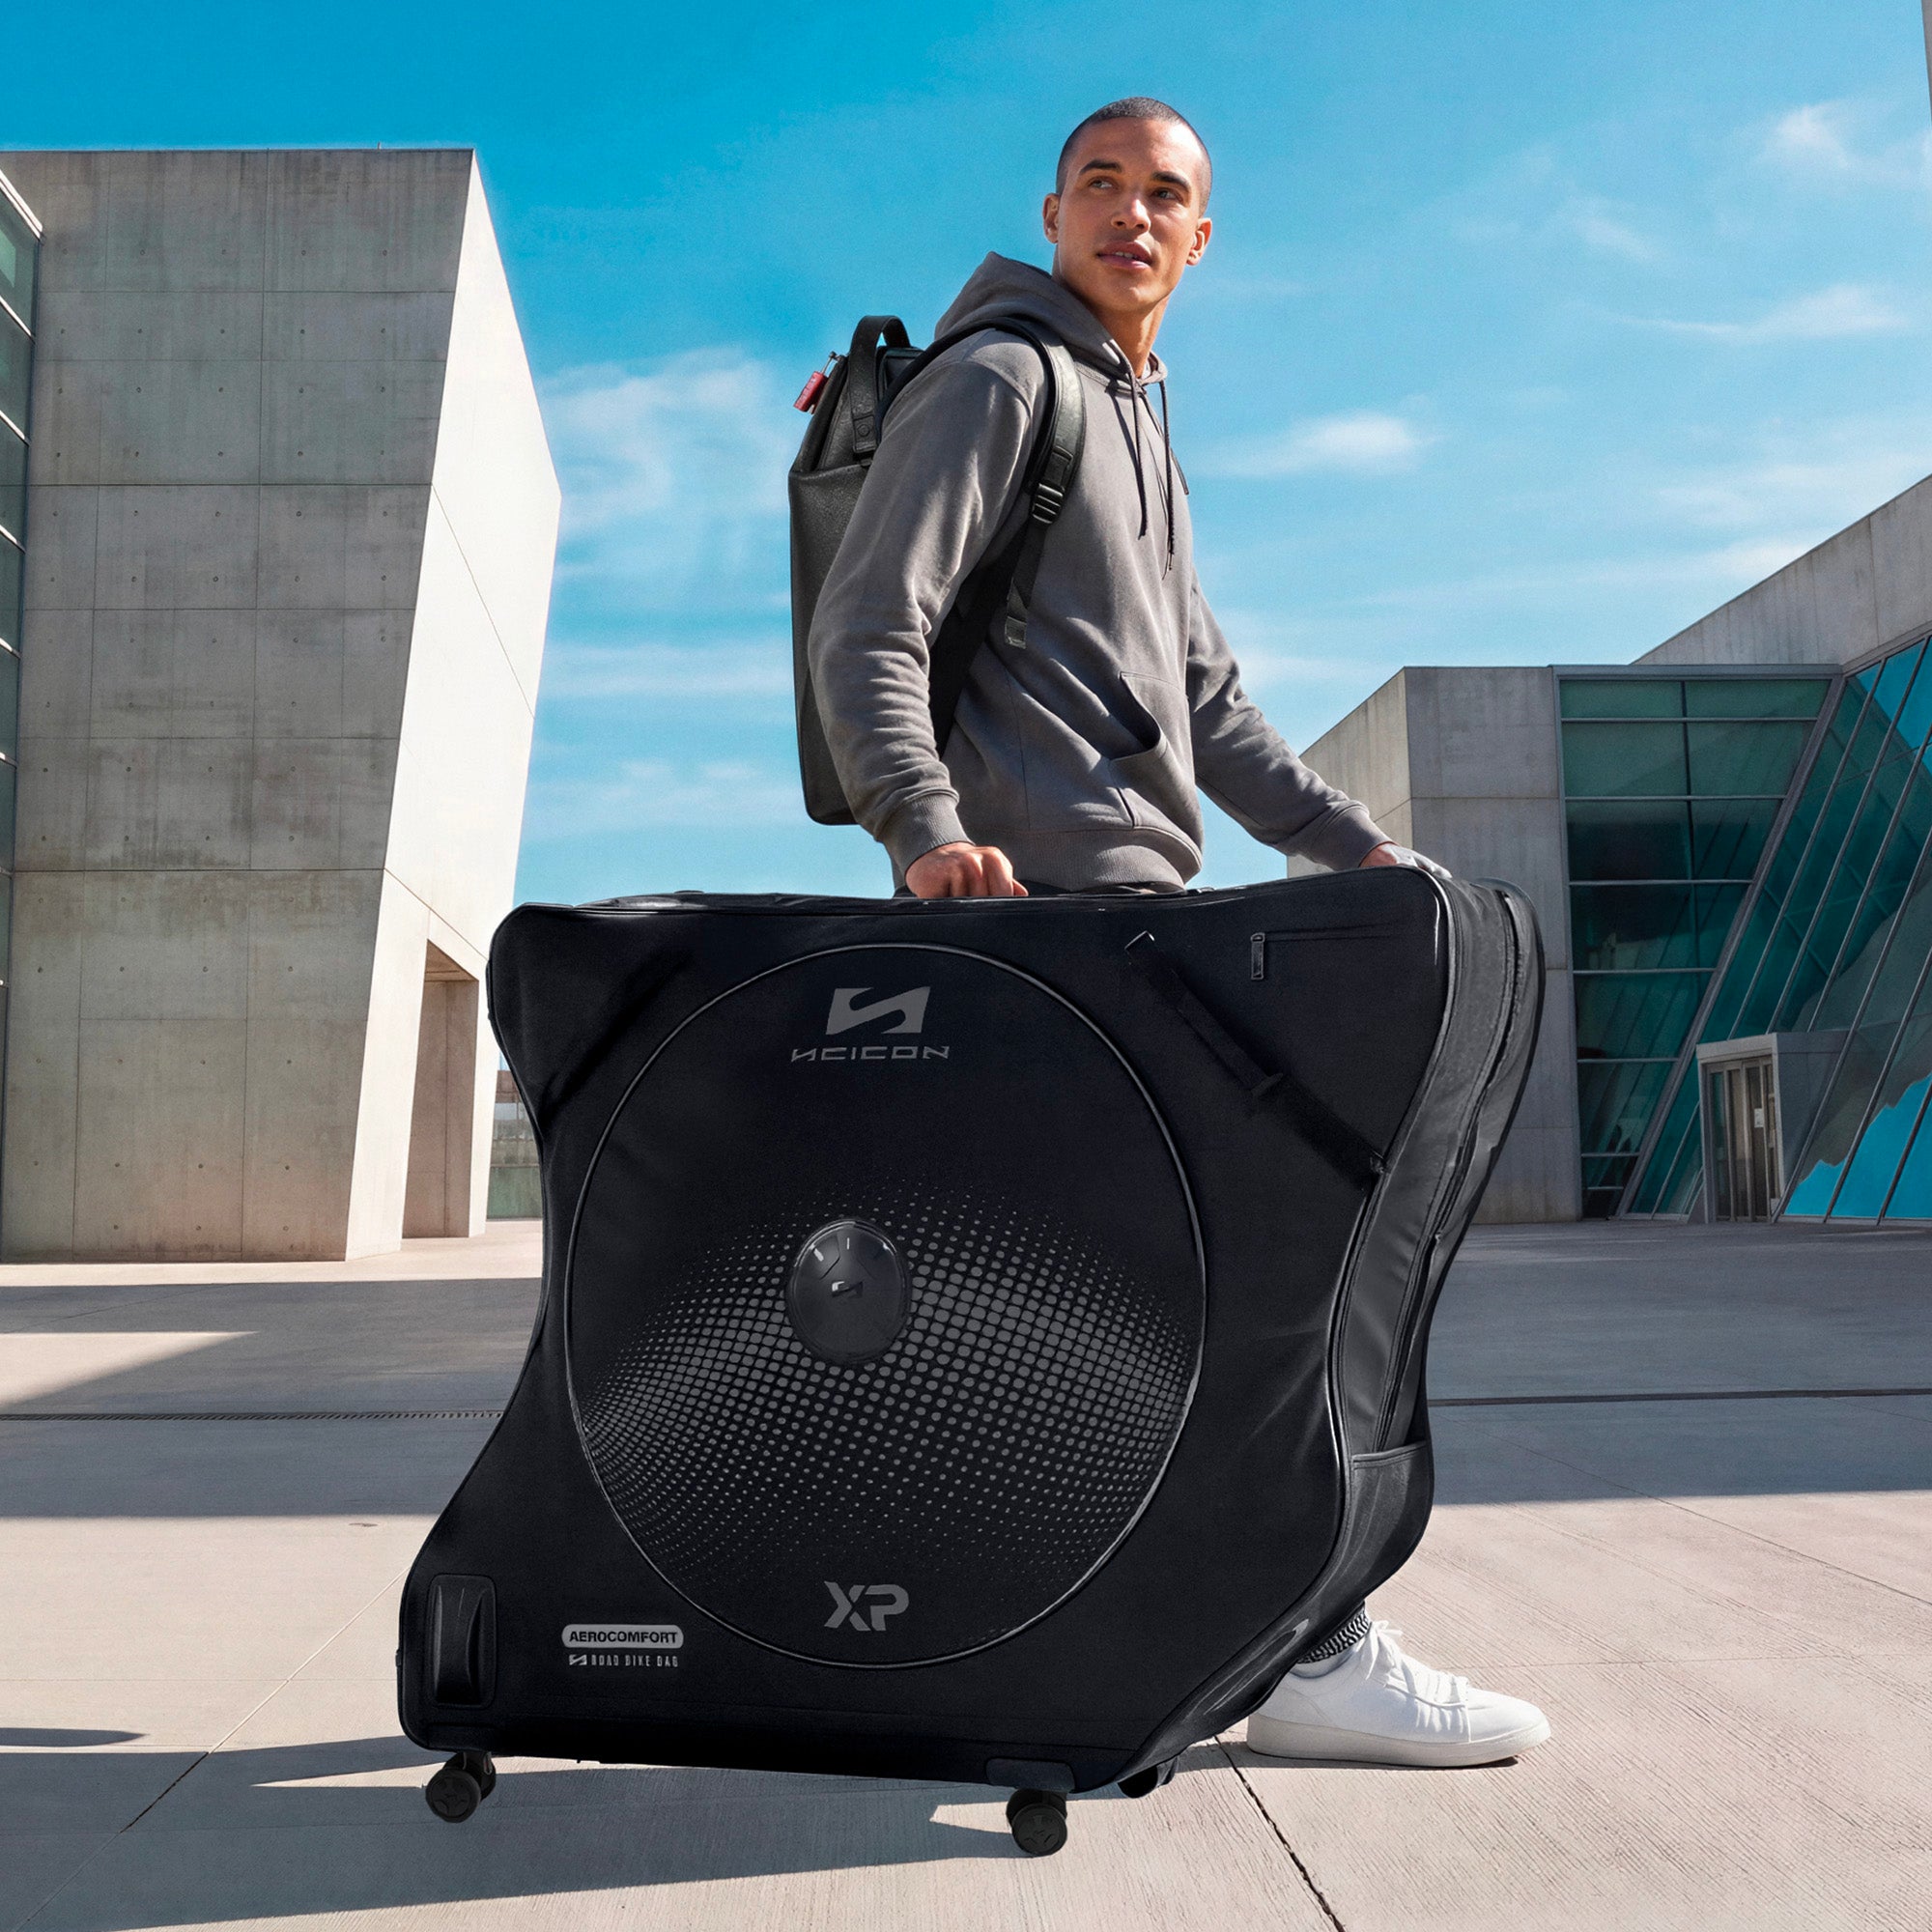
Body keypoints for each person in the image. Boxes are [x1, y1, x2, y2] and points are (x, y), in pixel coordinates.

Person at [809, 97, 1548, 1769]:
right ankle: (1307, 1654)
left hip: (1136, 924)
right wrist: (926, 833)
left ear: (1201, 240)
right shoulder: (1002, 380)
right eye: (1102, 185)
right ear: (1052, 211)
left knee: (1111, 1309)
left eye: (1164, 196)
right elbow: (869, 624)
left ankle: (1046, 1637)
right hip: (1040, 929)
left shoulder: (1134, 415)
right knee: (1254, 1292)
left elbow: (1206, 702)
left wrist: (1353, 845)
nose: (1131, 215)